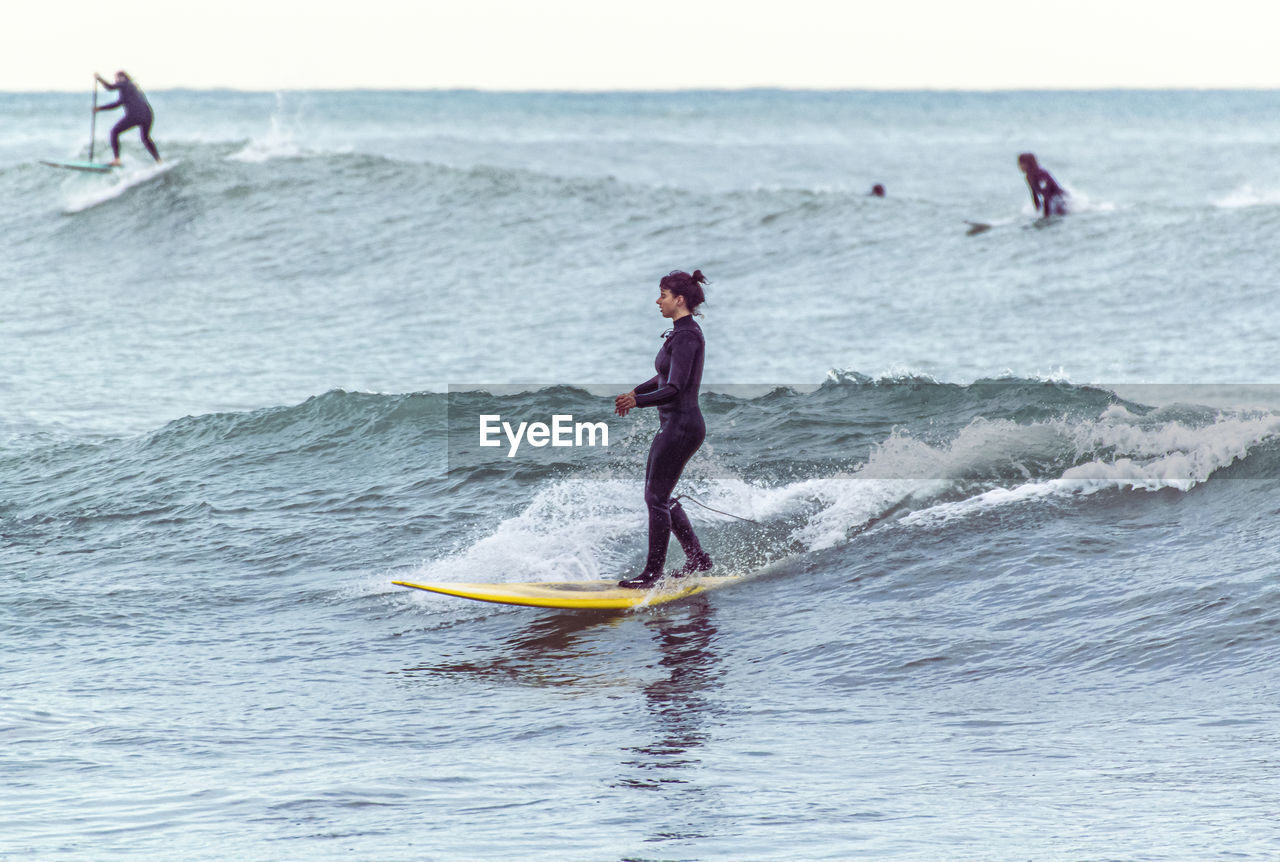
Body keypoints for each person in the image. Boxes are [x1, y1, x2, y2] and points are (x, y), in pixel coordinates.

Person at [613, 270, 714, 589]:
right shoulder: (680, 333)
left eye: (663, 295)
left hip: (681, 427)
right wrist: (636, 392)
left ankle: (651, 575)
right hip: (676, 426)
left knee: (655, 498)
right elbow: (663, 377)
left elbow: (675, 388)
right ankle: (698, 559)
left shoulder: (685, 336)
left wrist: (637, 403)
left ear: (679, 299)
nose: (658, 301)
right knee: (661, 497)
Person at [94, 71, 161, 166]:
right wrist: (100, 108)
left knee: (114, 132)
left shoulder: (124, 83)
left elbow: (110, 87)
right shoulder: (132, 88)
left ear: (121, 77)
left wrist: (99, 78)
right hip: (148, 115)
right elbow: (117, 104)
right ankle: (158, 160)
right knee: (145, 138)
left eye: (116, 79)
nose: (116, 82)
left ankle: (117, 159)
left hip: (135, 115)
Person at [1017, 153, 1066, 217]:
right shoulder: (1028, 177)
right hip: (1052, 201)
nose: (1019, 166)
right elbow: (1034, 195)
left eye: (1021, 163)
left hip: (1061, 200)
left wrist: (1046, 217)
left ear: (1028, 164)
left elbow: (1047, 196)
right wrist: (1037, 212)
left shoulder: (1041, 174)